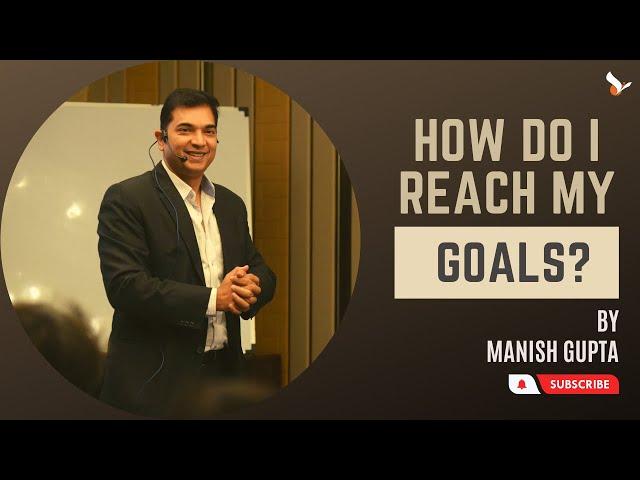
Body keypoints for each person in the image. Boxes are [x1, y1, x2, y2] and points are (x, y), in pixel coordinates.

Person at [97, 88, 276, 417]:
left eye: (208, 131)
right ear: (161, 138)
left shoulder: (231, 204)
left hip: (224, 377)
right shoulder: (128, 198)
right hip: (154, 385)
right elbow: (126, 287)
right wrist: (215, 299)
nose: (199, 141)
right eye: (185, 130)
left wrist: (251, 288)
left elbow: (260, 268)